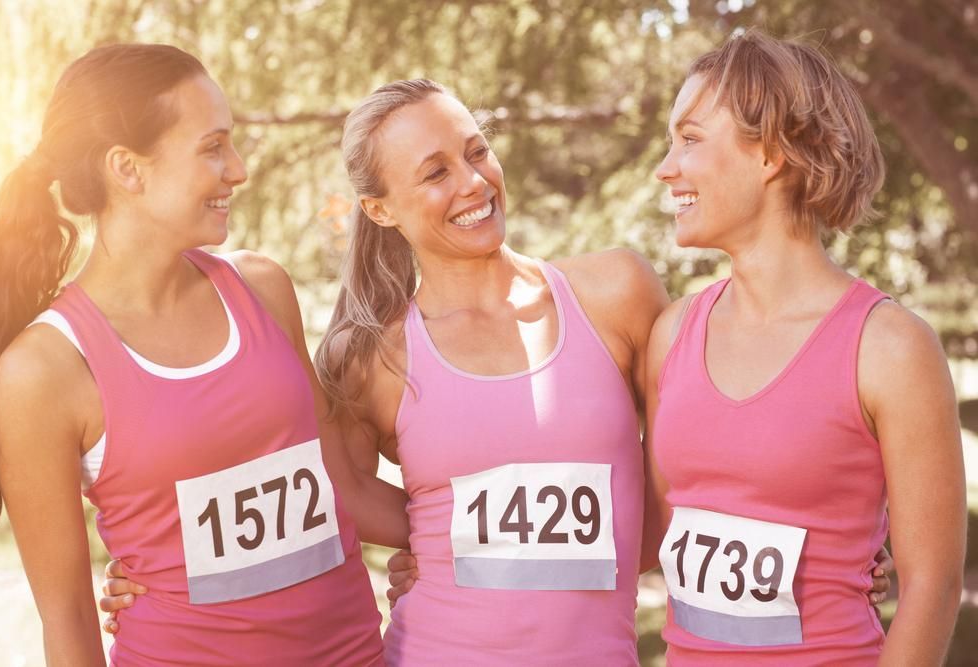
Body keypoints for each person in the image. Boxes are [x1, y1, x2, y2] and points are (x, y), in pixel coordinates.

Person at [97, 74, 894, 662]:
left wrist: (840, 533)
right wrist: (154, 572)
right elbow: (311, 490)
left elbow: (720, 435)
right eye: (435, 172)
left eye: (475, 151)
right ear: (381, 210)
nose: (474, 182)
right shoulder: (373, 355)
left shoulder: (615, 294)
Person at [0, 43, 408, 666]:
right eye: (212, 147)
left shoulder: (262, 289)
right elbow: (67, 617)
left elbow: (344, 486)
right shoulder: (43, 370)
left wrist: (477, 540)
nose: (238, 169)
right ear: (127, 168)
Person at [643, 30, 965, 664]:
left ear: (769, 154)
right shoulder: (671, 333)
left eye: (690, 138)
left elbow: (933, 587)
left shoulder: (890, 348)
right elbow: (661, 527)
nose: (666, 167)